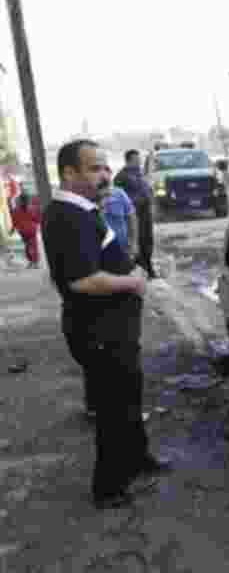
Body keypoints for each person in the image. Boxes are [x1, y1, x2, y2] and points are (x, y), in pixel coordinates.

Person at [42, 139, 171, 510]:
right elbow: (82, 281)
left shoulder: (84, 209)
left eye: (105, 166)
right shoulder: (67, 216)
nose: (105, 174)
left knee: (128, 397)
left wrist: (131, 268)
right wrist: (133, 282)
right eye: (95, 168)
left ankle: (137, 460)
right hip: (99, 331)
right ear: (69, 173)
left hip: (115, 328)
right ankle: (110, 488)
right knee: (113, 409)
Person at [114, 150, 158, 279]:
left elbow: (147, 189)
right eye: (136, 160)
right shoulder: (121, 177)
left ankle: (149, 269)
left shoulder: (139, 174)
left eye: (139, 160)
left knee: (148, 241)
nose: (139, 162)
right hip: (134, 215)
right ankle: (141, 270)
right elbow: (121, 198)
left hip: (145, 213)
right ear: (129, 160)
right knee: (139, 241)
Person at [100, 182, 138, 260]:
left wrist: (133, 242)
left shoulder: (119, 193)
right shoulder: (86, 196)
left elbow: (131, 218)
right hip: (99, 251)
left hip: (121, 247)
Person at [10, 189, 42, 268]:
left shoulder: (16, 210)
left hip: (23, 231)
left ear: (20, 201)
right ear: (28, 200)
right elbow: (38, 219)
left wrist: (12, 230)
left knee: (27, 245)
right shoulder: (33, 209)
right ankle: (35, 261)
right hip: (32, 230)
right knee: (34, 245)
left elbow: (15, 221)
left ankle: (31, 261)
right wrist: (39, 225)